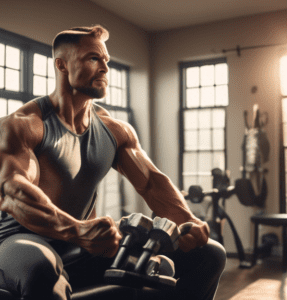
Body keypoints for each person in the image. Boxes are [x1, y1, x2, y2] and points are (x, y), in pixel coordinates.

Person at [0, 25, 226, 300]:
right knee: (41, 271)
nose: (105, 68)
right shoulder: (24, 125)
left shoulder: (114, 130)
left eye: (105, 60)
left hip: (81, 244)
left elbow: (153, 183)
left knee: (209, 255)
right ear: (61, 65)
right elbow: (15, 193)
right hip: (20, 240)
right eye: (93, 58)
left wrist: (188, 220)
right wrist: (78, 230)